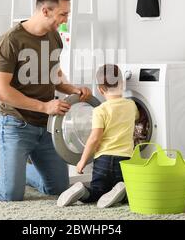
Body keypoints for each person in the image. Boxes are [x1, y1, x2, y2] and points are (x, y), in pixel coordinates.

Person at [0, 0, 92, 201]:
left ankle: (13, 173)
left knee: (58, 188)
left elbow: (53, 73)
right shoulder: (10, 41)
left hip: (47, 126)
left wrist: (71, 88)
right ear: (45, 11)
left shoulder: (54, 37)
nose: (66, 20)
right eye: (63, 14)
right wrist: (45, 106)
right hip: (16, 125)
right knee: (9, 194)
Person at [57, 64, 139, 208]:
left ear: (101, 90)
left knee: (96, 193)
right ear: (123, 83)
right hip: (124, 160)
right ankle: (121, 190)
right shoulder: (131, 105)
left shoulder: (100, 110)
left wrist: (82, 161)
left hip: (103, 161)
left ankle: (82, 191)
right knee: (132, 194)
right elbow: (138, 118)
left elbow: (94, 138)